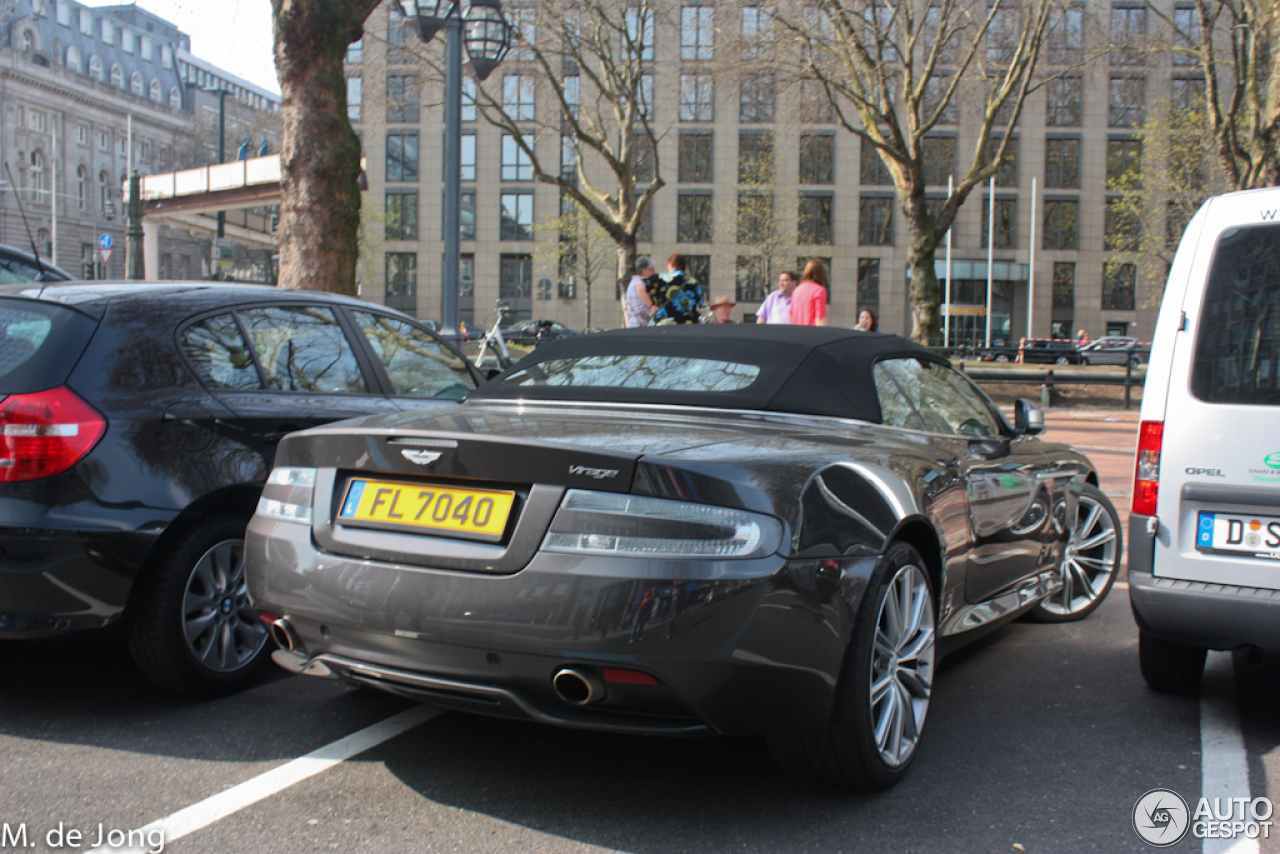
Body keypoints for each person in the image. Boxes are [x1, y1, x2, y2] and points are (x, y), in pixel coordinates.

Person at [651, 254, 703, 324]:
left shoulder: (661, 279)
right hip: (688, 324)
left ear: (672, 265)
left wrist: (650, 306)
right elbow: (700, 302)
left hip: (664, 323)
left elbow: (641, 284)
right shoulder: (693, 282)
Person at [789, 259, 830, 327]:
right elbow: (820, 318)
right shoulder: (819, 290)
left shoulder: (797, 290)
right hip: (812, 334)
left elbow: (790, 315)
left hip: (797, 333)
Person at [625, 256, 657, 327]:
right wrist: (654, 311)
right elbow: (639, 309)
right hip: (639, 325)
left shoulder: (640, 282)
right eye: (652, 270)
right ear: (644, 271)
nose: (654, 272)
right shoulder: (637, 284)